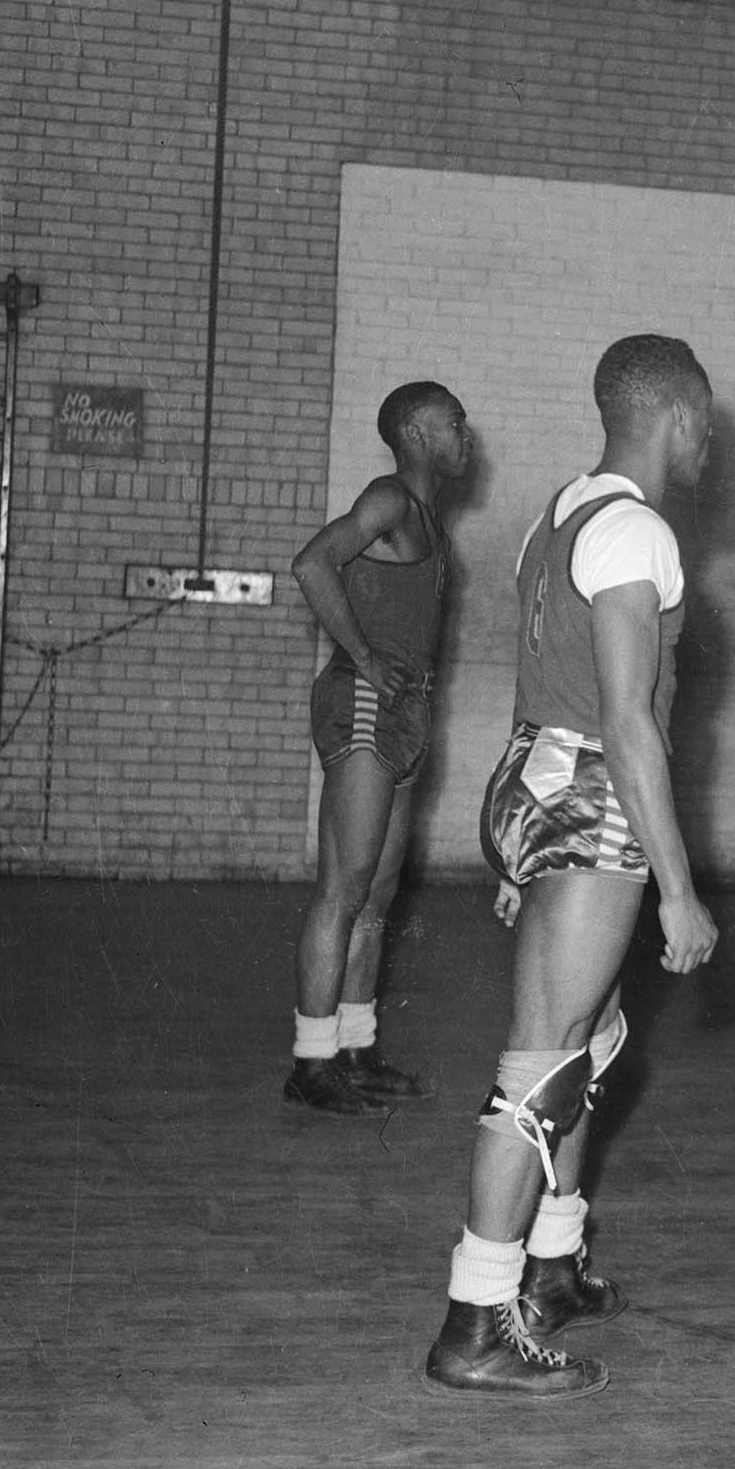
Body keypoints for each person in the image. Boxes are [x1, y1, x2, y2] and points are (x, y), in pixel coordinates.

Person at [422, 336, 719, 1399]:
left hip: (535, 773)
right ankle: (476, 1317)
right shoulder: (638, 530)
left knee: (587, 1045)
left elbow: (540, 676)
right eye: (706, 419)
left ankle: (551, 1263)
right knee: (543, 1067)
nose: (712, 440)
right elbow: (631, 723)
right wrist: (679, 887)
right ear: (677, 416)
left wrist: (520, 839)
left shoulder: (561, 513)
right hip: (592, 791)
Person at [284, 381, 471, 1118]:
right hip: (365, 705)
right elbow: (311, 563)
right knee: (344, 887)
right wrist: (361, 656)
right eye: (454, 423)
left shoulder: (430, 517)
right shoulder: (389, 499)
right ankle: (309, 1062)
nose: (468, 436)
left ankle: (354, 1050)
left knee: (378, 896)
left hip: (407, 713)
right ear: (418, 434)